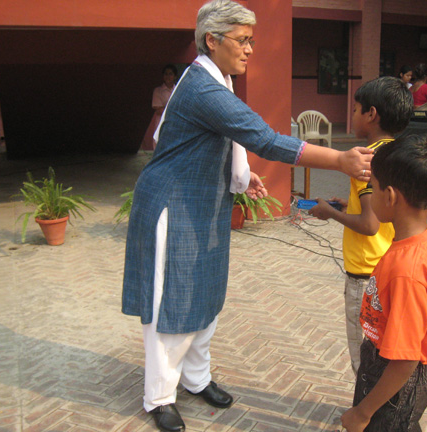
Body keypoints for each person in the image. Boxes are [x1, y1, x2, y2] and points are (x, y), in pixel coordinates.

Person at [121, 1, 372, 431]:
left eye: (252, 40)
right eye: (242, 40)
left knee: (205, 297)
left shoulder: (216, 80)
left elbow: (219, 138)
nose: (250, 49)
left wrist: (241, 175)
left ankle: (196, 379)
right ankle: (159, 397)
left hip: (202, 205)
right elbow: (263, 138)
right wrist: (340, 160)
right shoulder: (202, 87)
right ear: (211, 40)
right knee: (175, 302)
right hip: (174, 206)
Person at [340, 135, 427, 432]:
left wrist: (363, 412)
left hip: (395, 381)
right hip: (384, 363)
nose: (370, 195)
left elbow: (404, 360)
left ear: (389, 196)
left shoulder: (407, 270)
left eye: (372, 188)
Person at [308, 76, 413, 375]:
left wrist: (330, 213)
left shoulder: (364, 160)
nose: (352, 115)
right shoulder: (400, 153)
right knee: (384, 352)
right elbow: (382, 209)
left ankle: (366, 405)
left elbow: (369, 224)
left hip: (365, 275)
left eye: (355, 109)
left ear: (371, 114)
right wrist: (348, 205)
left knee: (364, 360)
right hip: (392, 267)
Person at [141, 64, 178, 151]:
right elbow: (158, 110)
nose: (168, 76)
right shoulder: (158, 91)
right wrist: (173, 109)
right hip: (161, 122)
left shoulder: (178, 89)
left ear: (175, 76)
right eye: (166, 74)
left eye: (170, 74)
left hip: (175, 122)